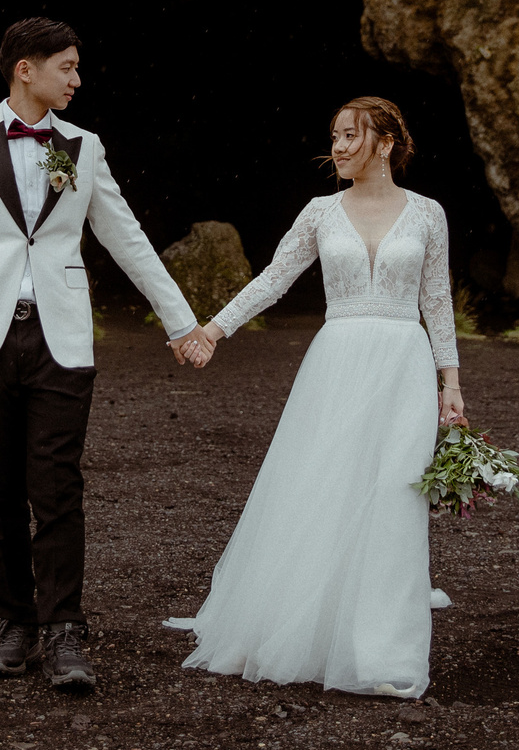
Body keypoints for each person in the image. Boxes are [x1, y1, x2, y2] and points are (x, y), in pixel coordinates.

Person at [0, 16, 211, 695]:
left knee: (56, 486)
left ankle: (63, 629)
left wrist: (181, 323)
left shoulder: (82, 147)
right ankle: (15, 622)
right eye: (67, 67)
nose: (78, 79)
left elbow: (127, 237)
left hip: (62, 338)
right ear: (26, 68)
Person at [163, 95, 464, 698]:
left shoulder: (428, 214)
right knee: (324, 485)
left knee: (394, 495)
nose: (338, 147)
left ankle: (379, 648)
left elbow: (436, 300)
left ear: (385, 143)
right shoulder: (320, 212)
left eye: (351, 135)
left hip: (404, 364)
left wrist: (450, 383)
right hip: (337, 364)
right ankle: (305, 628)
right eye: (334, 136)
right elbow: (273, 279)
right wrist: (213, 331)